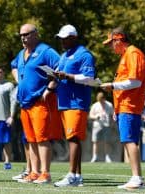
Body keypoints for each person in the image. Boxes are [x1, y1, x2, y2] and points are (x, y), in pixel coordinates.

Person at [11, 23, 62, 184]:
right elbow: (13, 66)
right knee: (30, 140)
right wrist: (19, 79)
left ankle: (45, 173)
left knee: (42, 139)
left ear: (35, 34)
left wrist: (50, 89)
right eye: (21, 35)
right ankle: (34, 172)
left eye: (26, 34)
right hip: (24, 104)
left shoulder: (45, 51)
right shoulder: (21, 54)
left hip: (39, 102)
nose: (23, 38)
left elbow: (61, 68)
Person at [100, 26, 145, 190]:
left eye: (112, 43)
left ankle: (137, 178)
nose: (111, 47)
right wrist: (116, 107)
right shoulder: (127, 54)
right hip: (125, 106)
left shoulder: (133, 53)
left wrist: (112, 85)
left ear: (119, 39)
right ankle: (137, 177)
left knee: (129, 141)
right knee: (129, 141)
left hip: (130, 105)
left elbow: (135, 82)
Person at [51, 24, 96, 187]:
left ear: (74, 38)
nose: (62, 41)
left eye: (65, 39)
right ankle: (77, 175)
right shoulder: (64, 55)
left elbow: (89, 78)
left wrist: (68, 76)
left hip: (76, 102)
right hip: (64, 102)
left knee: (73, 138)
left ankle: (71, 175)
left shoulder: (84, 55)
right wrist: (53, 76)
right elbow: (59, 72)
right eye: (61, 39)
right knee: (73, 138)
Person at [89, 91, 114, 163]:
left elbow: (112, 115)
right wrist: (96, 116)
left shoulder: (109, 104)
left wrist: (112, 123)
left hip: (107, 125)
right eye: (99, 100)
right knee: (95, 141)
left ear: (104, 98)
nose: (101, 101)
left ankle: (107, 157)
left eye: (102, 100)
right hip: (97, 125)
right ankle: (94, 157)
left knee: (107, 141)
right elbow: (90, 115)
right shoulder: (95, 105)